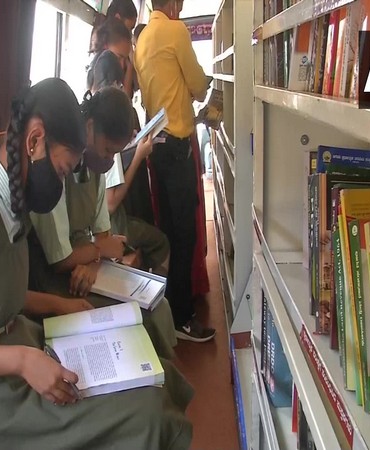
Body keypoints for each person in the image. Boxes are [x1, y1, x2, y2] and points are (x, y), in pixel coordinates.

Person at [0, 78, 193, 450]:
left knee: (157, 381)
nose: (61, 185)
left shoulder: (13, 204)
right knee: (149, 413)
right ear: (34, 141)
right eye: (62, 171)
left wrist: (62, 307)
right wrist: (23, 362)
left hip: (24, 345)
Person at [28, 87, 176, 359]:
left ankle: (161, 383)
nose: (109, 162)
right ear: (90, 127)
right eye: (107, 151)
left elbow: (104, 237)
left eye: (116, 155)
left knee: (160, 307)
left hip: (85, 270)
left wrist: (94, 262)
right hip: (53, 279)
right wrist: (99, 252)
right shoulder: (57, 170)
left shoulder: (94, 170)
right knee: (140, 319)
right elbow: (61, 259)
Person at [135, 0, 215, 342]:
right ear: (175, 3)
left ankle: (169, 309)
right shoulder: (175, 30)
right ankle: (182, 317)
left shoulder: (143, 39)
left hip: (156, 146)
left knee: (167, 230)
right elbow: (197, 86)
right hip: (179, 146)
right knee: (185, 234)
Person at [89, 50, 170, 275]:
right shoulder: (108, 130)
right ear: (116, 83)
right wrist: (138, 155)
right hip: (111, 224)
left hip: (101, 223)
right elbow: (111, 204)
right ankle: (155, 292)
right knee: (162, 242)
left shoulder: (95, 121)